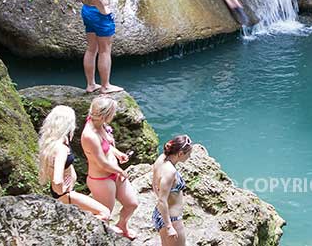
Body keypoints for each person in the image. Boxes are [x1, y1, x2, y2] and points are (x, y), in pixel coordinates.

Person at [38, 105, 119, 230]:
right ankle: (81, 230)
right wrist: (62, 190)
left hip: (62, 193)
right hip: (65, 194)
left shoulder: (53, 141)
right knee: (104, 213)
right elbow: (57, 180)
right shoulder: (61, 149)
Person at [70, 0, 122, 94]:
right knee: (105, 50)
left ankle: (91, 84)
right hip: (99, 14)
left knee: (91, 49)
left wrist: (83, 0)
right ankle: (105, 86)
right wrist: (103, 9)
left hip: (87, 10)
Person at [82, 97, 138, 239]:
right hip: (101, 178)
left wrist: (118, 153)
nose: (114, 115)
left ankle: (122, 225)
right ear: (104, 115)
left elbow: (108, 146)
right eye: (112, 112)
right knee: (105, 214)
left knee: (132, 204)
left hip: (114, 172)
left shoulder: (100, 124)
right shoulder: (89, 135)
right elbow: (101, 163)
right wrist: (120, 170)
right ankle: (100, 239)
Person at [151, 135, 195, 246]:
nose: (189, 157)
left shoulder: (161, 158)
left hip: (161, 215)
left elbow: (154, 184)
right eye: (188, 154)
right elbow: (162, 200)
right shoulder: (170, 171)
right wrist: (169, 226)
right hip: (171, 219)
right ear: (180, 153)